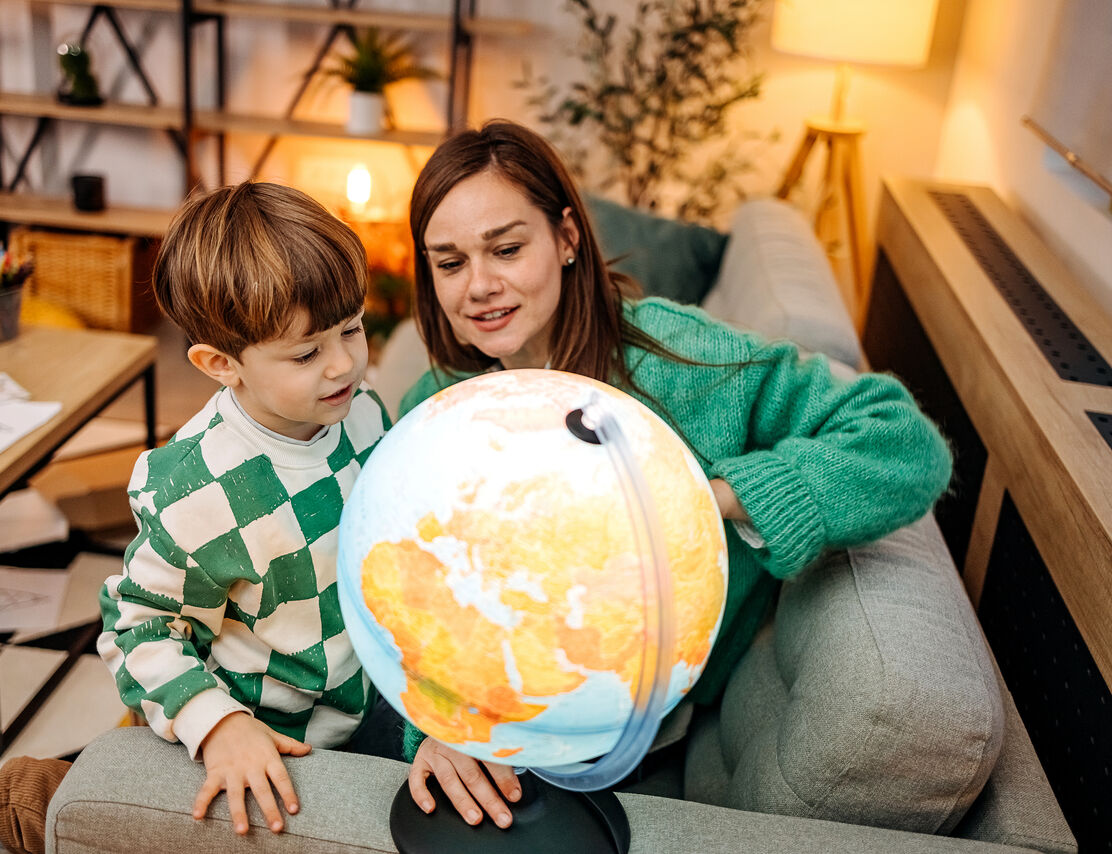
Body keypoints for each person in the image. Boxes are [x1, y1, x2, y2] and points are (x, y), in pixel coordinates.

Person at [395, 120, 953, 830]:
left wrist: (703, 497)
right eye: (449, 263)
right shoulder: (436, 402)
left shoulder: (685, 362)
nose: (480, 286)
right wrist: (439, 729)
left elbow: (902, 442)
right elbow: (415, 595)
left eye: (507, 248)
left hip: (616, 730)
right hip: (485, 712)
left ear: (567, 237)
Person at [0, 181, 398, 854]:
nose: (344, 362)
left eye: (351, 328)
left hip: (356, 702)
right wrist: (218, 724)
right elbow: (136, 626)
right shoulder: (195, 489)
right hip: (252, 731)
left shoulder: (365, 410)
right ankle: (27, 814)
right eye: (306, 352)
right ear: (220, 364)